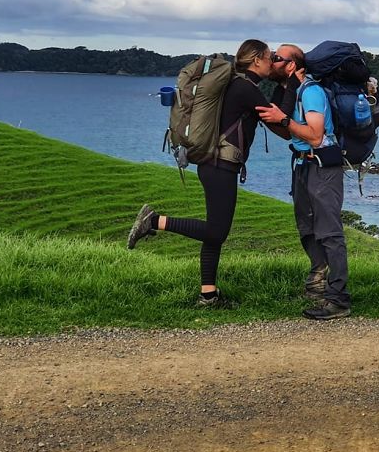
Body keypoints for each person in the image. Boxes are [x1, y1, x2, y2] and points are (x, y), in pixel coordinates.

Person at [127, 39, 295, 307]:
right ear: (257, 60)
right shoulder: (245, 88)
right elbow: (281, 117)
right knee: (217, 232)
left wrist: (279, 85)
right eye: (270, 56)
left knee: (213, 233)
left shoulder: (236, 84)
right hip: (221, 167)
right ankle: (154, 221)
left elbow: (270, 114)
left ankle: (208, 296)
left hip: (212, 165)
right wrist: (291, 83)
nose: (272, 61)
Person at [257, 64, 351, 320]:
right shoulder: (291, 92)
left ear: (291, 65)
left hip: (322, 166)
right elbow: (290, 135)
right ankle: (318, 283)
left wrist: (284, 119)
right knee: (306, 227)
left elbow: (316, 136)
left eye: (278, 58)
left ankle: (339, 299)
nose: (271, 61)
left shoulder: (311, 92)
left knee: (329, 232)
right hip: (302, 164)